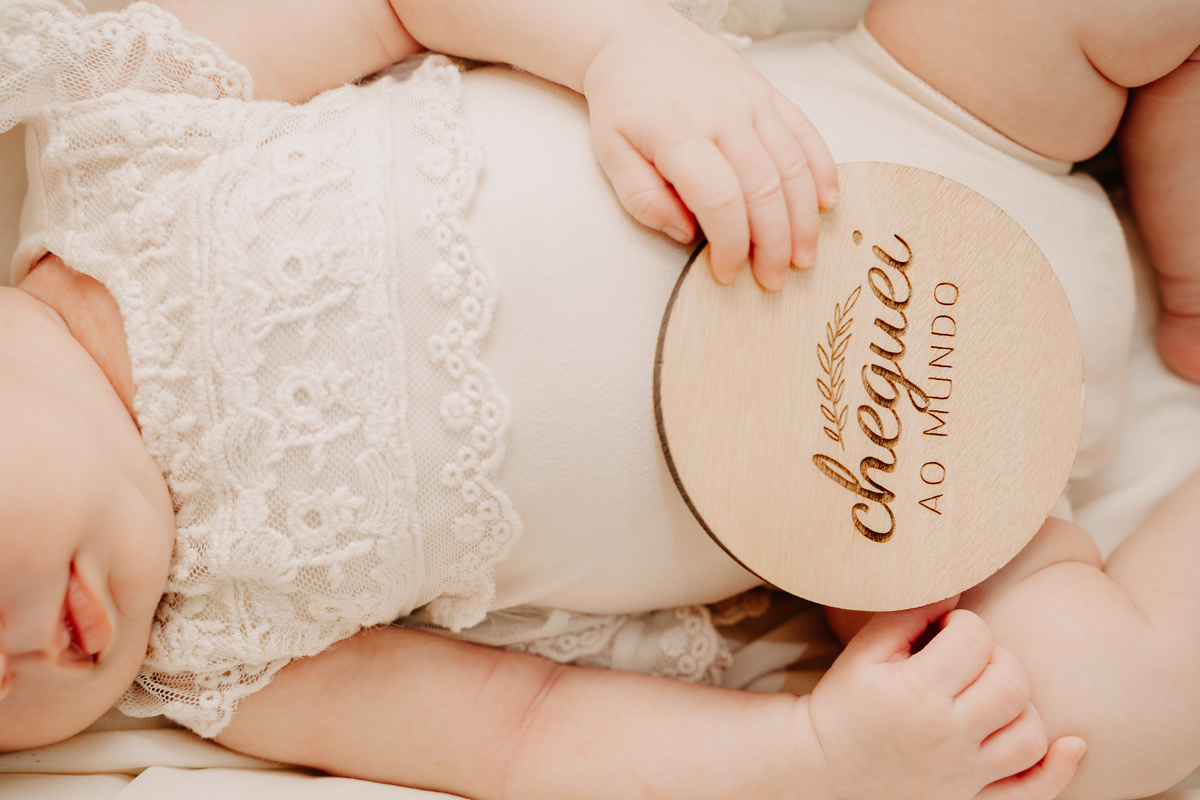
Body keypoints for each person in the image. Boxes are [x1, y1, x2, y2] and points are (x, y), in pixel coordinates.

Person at [0, 0, 1192, 797]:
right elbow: (520, 731)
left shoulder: (122, 141)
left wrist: (621, 49)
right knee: (1082, 721)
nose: (10, 662)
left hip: (932, 106)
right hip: (933, 524)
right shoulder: (222, 657)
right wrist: (821, 753)